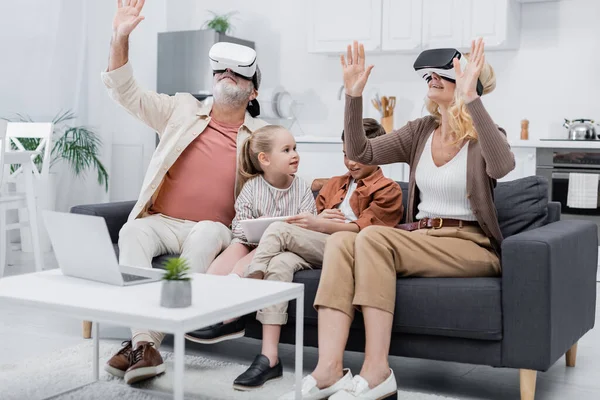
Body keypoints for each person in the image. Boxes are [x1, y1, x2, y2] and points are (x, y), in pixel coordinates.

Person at [281, 38, 515, 400]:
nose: (432, 78)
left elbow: (502, 165)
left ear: (469, 81)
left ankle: (377, 372)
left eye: (443, 74)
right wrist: (353, 96)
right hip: (421, 238)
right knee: (343, 240)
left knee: (372, 237)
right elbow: (361, 151)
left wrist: (472, 100)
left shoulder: (485, 135)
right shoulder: (421, 131)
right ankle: (328, 370)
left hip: (469, 244)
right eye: (429, 75)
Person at [101, 0, 267, 385]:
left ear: (253, 90)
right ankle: (147, 345)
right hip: (160, 220)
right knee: (132, 231)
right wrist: (120, 36)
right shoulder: (179, 109)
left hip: (213, 228)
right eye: (220, 70)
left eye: (238, 74)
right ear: (211, 79)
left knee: (208, 231)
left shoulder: (262, 136)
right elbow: (124, 91)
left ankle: (143, 344)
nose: (227, 75)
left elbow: (283, 182)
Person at [221, 118, 404, 391]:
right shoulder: (334, 185)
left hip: (350, 251)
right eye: (345, 154)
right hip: (318, 248)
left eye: (360, 155)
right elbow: (310, 225)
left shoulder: (389, 190)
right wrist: (317, 220)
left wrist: (322, 223)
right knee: (280, 263)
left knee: (278, 229)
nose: (351, 162)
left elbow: (365, 233)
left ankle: (246, 287)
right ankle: (269, 356)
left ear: (378, 153)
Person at [185, 124, 317, 345]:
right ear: (265, 159)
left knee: (241, 267)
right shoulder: (252, 188)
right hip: (248, 241)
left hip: (279, 247)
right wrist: (253, 229)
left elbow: (307, 227)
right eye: (286, 150)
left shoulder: (301, 188)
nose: (295, 155)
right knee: (216, 270)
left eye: (295, 148)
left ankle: (230, 319)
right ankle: (204, 314)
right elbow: (239, 226)